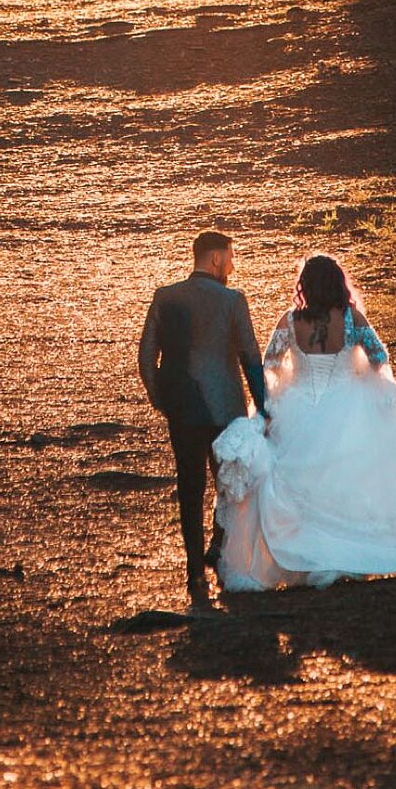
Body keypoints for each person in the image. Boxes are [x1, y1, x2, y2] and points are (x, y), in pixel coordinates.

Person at [212, 254, 396, 591]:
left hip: (298, 406)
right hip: (347, 401)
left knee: (300, 479)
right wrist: (360, 377)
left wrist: (281, 392)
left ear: (306, 286)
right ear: (338, 284)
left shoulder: (290, 321)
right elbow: (379, 356)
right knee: (352, 479)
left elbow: (269, 362)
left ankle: (309, 550)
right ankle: (357, 548)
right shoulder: (351, 318)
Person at [138, 230, 268, 609]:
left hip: (183, 408)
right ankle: (222, 553)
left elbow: (147, 358)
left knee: (190, 490)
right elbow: (250, 358)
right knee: (228, 486)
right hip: (226, 409)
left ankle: (194, 571)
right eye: (230, 257)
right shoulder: (232, 300)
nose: (232, 264)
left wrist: (161, 399)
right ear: (214, 259)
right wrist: (263, 406)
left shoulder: (165, 297)